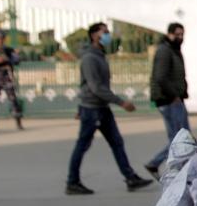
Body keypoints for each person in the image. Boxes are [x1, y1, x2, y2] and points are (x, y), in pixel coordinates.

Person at [66, 22, 154, 195]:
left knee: (116, 142)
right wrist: (121, 102)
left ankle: (130, 178)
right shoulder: (90, 58)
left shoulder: (98, 55)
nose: (107, 35)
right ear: (93, 35)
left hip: (100, 107)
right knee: (82, 145)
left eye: (108, 32)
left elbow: (87, 85)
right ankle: (72, 182)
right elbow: (95, 87)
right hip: (92, 109)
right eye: (104, 32)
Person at [144, 22, 190, 178]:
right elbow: (160, 77)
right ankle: (168, 168)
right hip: (169, 101)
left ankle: (162, 166)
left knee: (180, 138)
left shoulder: (173, 50)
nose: (180, 37)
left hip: (173, 99)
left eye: (182, 34)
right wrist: (174, 96)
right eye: (177, 34)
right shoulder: (165, 51)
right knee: (181, 138)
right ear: (169, 34)